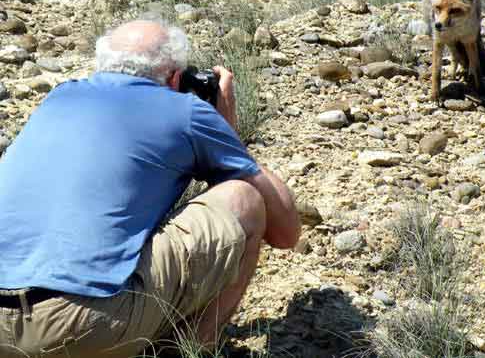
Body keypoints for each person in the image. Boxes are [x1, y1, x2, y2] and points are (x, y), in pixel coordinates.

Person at [0, 18, 301, 358]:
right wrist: (225, 132)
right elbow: (286, 232)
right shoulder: (186, 112)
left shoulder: (60, 98)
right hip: (77, 329)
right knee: (243, 199)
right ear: (175, 77)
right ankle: (186, 351)